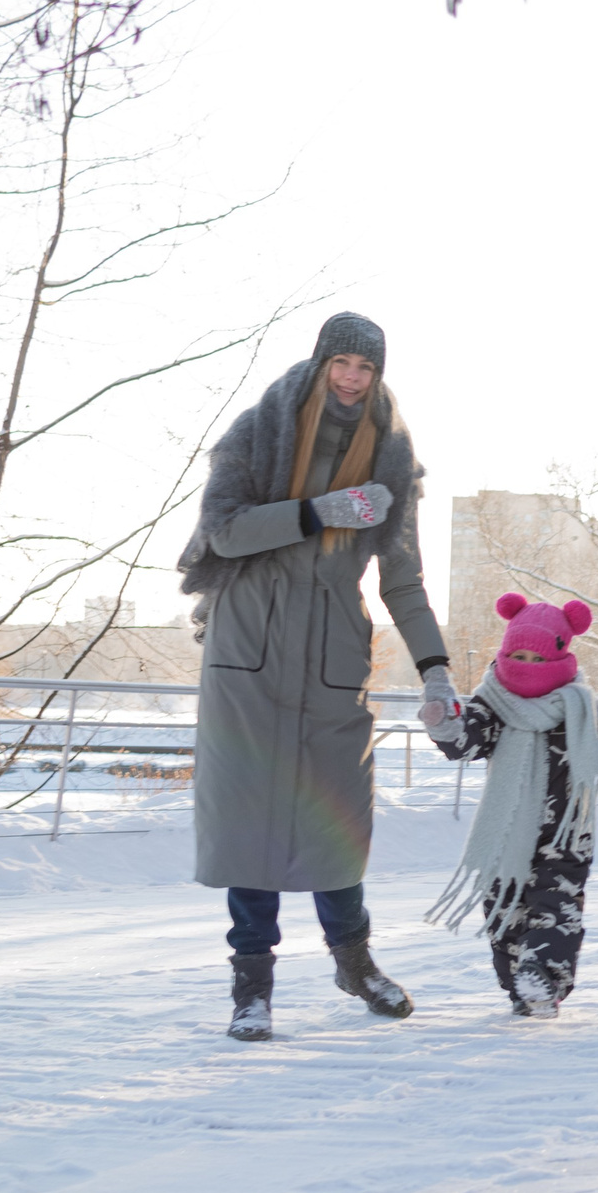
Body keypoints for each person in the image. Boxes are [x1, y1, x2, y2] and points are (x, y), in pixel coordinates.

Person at [176, 312, 464, 1042]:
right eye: (342, 363)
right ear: (321, 362)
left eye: (365, 368)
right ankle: (252, 986)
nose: (352, 378)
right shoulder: (260, 428)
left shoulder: (392, 459)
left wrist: (436, 670)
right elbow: (227, 531)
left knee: (335, 821)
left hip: (335, 654)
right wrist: (317, 512)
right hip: (249, 646)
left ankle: (354, 959)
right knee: (252, 821)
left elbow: (403, 580)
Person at [422, 594, 598, 1017]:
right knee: (504, 918)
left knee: (557, 909)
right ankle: (521, 987)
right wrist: (443, 724)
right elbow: (467, 739)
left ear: (561, 653)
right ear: (504, 652)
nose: (527, 665)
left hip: (565, 838)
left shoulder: (579, 708)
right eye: (518, 655)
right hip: (504, 835)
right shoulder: (491, 704)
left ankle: (543, 976)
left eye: (537, 657)